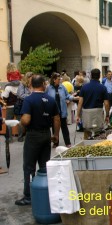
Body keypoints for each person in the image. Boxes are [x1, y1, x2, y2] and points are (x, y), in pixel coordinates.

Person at [15, 74, 60, 206]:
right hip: (46, 134)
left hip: (33, 135)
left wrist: (21, 122)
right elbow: (56, 119)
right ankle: (45, 191)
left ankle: (28, 196)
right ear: (44, 84)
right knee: (44, 166)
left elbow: (26, 119)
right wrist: (56, 135)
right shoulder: (51, 99)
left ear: (30, 85)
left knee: (29, 167)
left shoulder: (29, 100)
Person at [76, 68, 110, 140]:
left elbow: (80, 102)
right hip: (98, 112)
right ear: (99, 76)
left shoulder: (84, 87)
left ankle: (86, 146)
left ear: (91, 76)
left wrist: (78, 115)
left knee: (87, 132)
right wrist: (107, 115)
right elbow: (106, 104)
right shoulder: (103, 88)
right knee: (98, 133)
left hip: (86, 112)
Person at [46, 73, 76, 148]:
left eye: (60, 79)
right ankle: (56, 142)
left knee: (64, 127)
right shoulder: (48, 88)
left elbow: (67, 95)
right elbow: (45, 97)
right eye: (59, 79)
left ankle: (67, 142)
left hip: (62, 110)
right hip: (53, 112)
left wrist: (73, 97)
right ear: (54, 80)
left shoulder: (62, 87)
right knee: (54, 127)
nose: (60, 80)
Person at [1, 68, 21, 142]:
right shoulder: (20, 85)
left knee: (8, 122)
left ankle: (9, 138)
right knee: (19, 121)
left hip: (10, 106)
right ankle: (20, 137)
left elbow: (5, 96)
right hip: (19, 105)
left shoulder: (8, 87)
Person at [15, 72, 33, 142]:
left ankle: (27, 135)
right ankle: (20, 136)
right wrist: (30, 96)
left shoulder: (32, 85)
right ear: (27, 78)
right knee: (20, 121)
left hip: (29, 104)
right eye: (31, 78)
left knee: (28, 120)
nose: (32, 79)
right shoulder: (22, 85)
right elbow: (20, 95)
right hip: (21, 105)